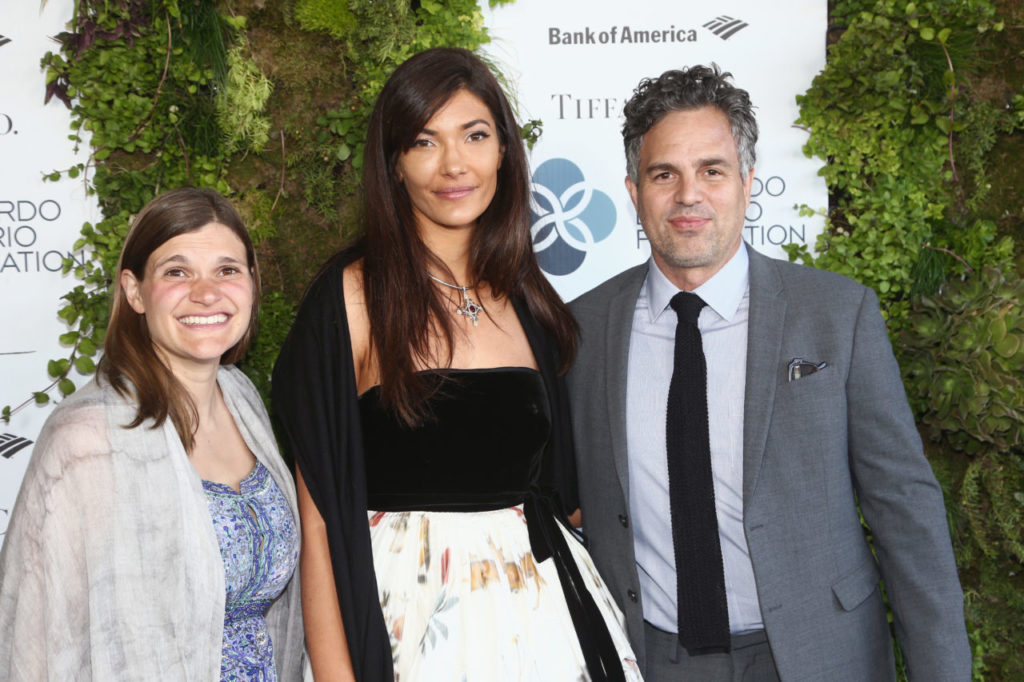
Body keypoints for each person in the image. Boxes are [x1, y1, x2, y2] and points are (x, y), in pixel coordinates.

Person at [567, 64, 971, 681]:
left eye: (712, 170)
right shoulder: (581, 330)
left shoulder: (838, 314)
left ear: (748, 181)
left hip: (819, 654)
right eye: (663, 174)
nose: (688, 195)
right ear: (632, 190)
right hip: (651, 659)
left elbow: (904, 509)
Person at [272, 47, 640, 682]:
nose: (454, 165)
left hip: (543, 621)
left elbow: (564, 491)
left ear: (503, 150)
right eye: (424, 141)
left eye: (475, 135)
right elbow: (319, 524)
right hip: (407, 627)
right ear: (395, 165)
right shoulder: (351, 298)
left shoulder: (528, 299)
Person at [0, 187, 304, 681]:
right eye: (177, 272)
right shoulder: (87, 438)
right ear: (135, 291)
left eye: (227, 270)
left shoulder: (243, 398)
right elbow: (36, 636)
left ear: (252, 283)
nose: (207, 292)